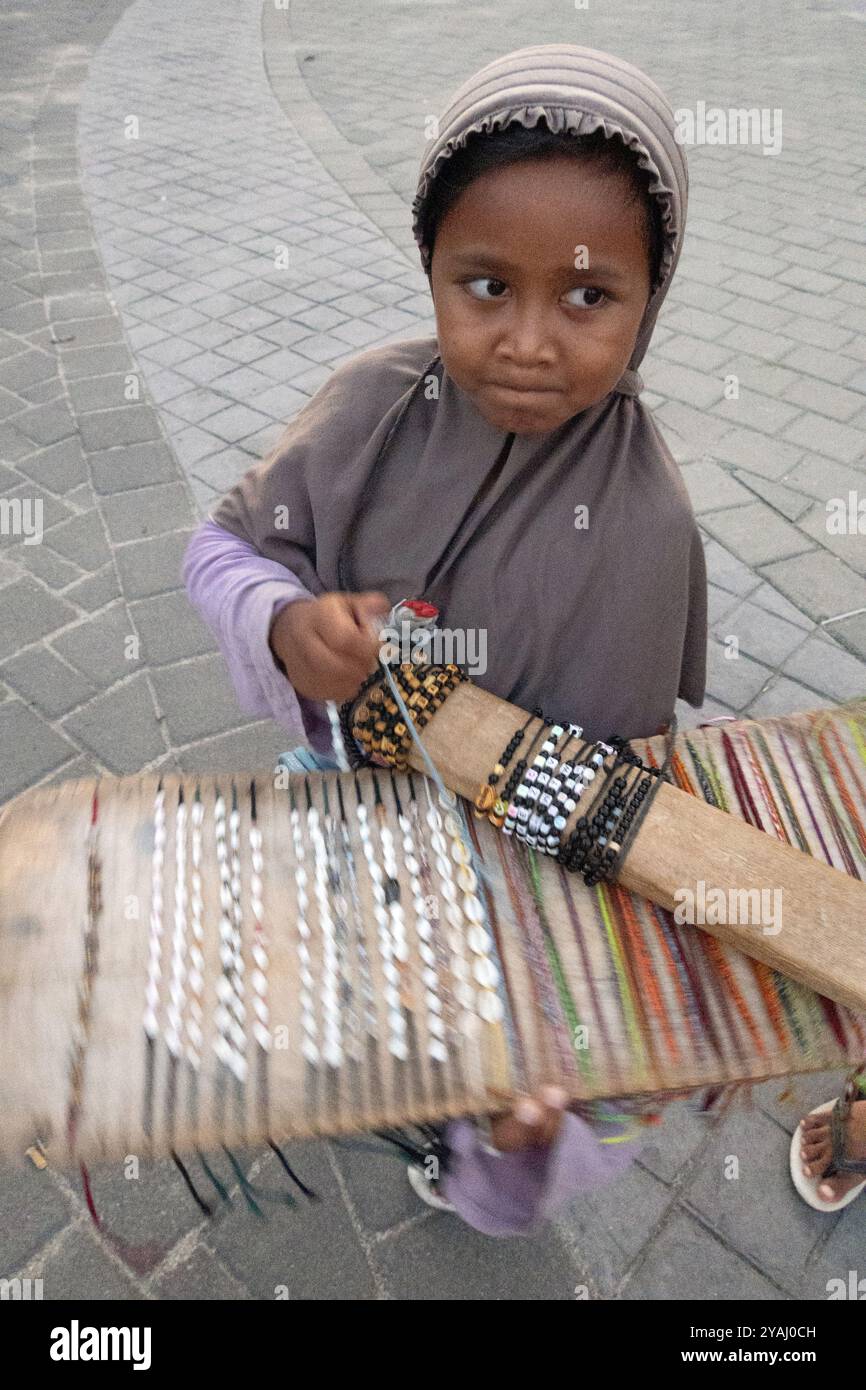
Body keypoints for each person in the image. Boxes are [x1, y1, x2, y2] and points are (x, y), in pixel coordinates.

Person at [184, 44, 707, 1235]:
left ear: (649, 298)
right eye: (484, 285)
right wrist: (278, 619)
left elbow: (610, 796)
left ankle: (478, 1161)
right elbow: (217, 547)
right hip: (349, 808)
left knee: (520, 1095)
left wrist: (548, 998)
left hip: (516, 883)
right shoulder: (370, 408)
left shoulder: (644, 518)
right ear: (429, 270)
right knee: (343, 1016)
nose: (528, 341)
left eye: (587, 296)